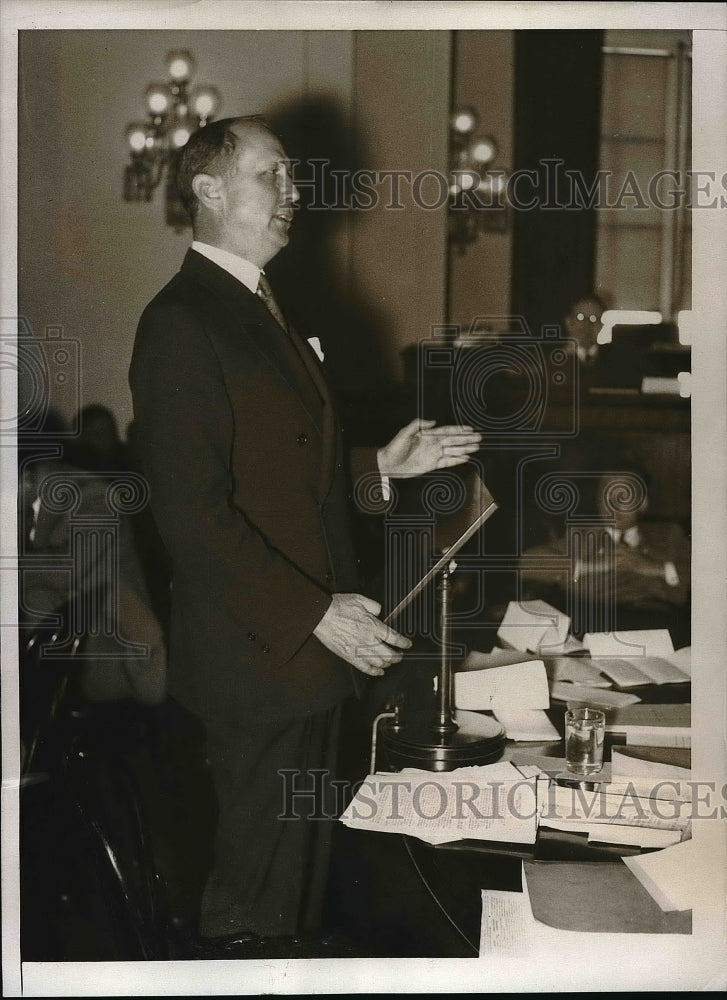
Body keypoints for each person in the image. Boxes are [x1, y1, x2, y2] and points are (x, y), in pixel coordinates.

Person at [129, 116, 481, 957]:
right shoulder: (182, 322)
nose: (294, 196)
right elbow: (192, 517)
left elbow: (287, 482)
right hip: (260, 662)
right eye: (271, 177)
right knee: (255, 911)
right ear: (208, 192)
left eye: (294, 178)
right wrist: (315, 613)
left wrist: (380, 470)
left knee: (297, 899)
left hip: (303, 661)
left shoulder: (258, 304)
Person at [520, 465, 690, 643]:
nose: (612, 506)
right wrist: (596, 566)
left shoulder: (669, 536)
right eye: (606, 497)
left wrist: (653, 567)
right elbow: (527, 563)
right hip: (590, 624)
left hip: (655, 626)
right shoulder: (580, 536)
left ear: (643, 503)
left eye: (623, 496)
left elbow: (708, 574)